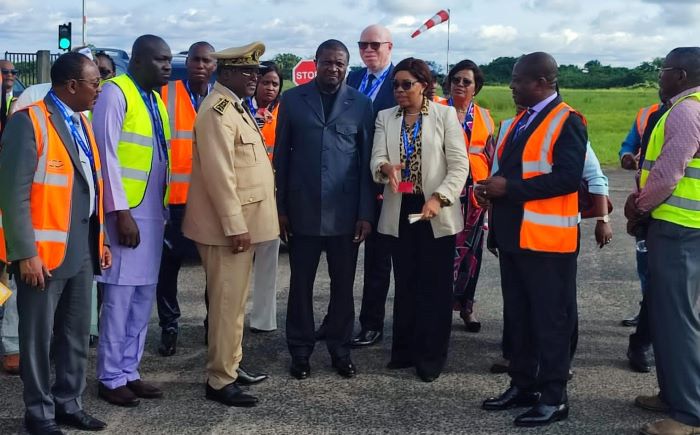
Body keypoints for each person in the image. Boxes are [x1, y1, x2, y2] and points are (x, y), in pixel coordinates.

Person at [0, 51, 110, 435]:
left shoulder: (82, 122)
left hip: (81, 249)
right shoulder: (28, 122)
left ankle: (69, 404)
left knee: (76, 334)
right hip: (43, 255)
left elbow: (90, 187)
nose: (99, 89)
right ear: (72, 85)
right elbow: (12, 194)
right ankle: (39, 414)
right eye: (95, 83)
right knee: (37, 338)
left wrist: (102, 240)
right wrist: (25, 253)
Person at [477, 52, 587, 427]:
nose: (512, 85)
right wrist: (490, 194)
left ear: (541, 82)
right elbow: (506, 174)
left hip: (548, 243)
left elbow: (568, 179)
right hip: (513, 237)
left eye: (518, 79)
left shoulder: (567, 120)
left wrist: (510, 188)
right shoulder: (516, 123)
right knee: (519, 318)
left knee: (551, 322)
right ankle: (522, 385)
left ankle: (554, 397)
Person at [183, 42, 278, 407]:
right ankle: (220, 379)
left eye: (256, 72)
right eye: (247, 72)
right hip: (227, 230)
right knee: (226, 306)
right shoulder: (216, 111)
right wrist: (235, 225)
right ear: (226, 74)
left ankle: (231, 366)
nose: (255, 78)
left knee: (234, 304)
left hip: (239, 226)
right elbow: (219, 175)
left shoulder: (234, 106)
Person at [274, 39, 374, 380]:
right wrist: (280, 209)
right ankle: (300, 351)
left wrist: (365, 213)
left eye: (340, 63)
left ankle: (340, 350)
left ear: (347, 66)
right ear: (315, 63)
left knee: (343, 288)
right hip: (301, 211)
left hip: (345, 216)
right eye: (328, 62)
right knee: (300, 285)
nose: (334, 68)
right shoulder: (292, 100)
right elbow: (281, 157)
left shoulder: (361, 104)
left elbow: (366, 163)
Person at [370, 57, 468, 382]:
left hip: (434, 208)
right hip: (400, 207)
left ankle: (430, 357)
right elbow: (377, 157)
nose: (399, 90)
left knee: (435, 286)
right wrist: (385, 168)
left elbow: (459, 165)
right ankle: (405, 351)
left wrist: (439, 198)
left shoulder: (444, 115)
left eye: (406, 84)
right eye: (395, 85)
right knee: (406, 283)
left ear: (423, 85)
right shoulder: (386, 117)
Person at [92, 34, 171, 407]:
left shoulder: (155, 100)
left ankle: (129, 370)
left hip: (153, 213)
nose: (167, 66)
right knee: (119, 298)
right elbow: (105, 154)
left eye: (168, 60)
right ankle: (109, 377)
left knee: (142, 297)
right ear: (138, 61)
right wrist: (120, 213)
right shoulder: (115, 92)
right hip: (126, 214)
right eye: (160, 60)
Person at [626, 46, 700, 435]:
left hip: (678, 228)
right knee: (669, 317)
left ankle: (689, 415)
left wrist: (639, 206)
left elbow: (669, 173)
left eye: (664, 70)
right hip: (683, 227)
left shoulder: (687, 111)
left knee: (678, 321)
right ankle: (674, 394)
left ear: (681, 75)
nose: (660, 76)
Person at [156, 41, 215, 357]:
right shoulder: (166, 94)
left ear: (214, 65)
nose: (200, 66)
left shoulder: (222, 99)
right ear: (188, 61)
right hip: (172, 200)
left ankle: (212, 326)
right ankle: (169, 327)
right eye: (196, 60)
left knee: (214, 270)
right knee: (167, 270)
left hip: (209, 202)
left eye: (207, 61)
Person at [345, 24, 396, 347]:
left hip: (381, 181)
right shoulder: (351, 78)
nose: (368, 50)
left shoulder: (399, 82)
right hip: (349, 179)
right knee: (342, 258)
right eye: (362, 44)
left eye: (374, 45)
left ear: (390, 47)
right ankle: (337, 319)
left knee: (378, 258)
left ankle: (371, 323)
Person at [441, 60, 495, 333]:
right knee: (442, 252)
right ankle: (439, 307)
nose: (460, 85)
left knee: (471, 254)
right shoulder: (437, 109)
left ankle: (466, 307)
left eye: (467, 81)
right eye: (456, 80)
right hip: (445, 192)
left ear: (476, 88)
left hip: (475, 196)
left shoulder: (484, 116)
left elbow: (491, 154)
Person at [244, 60, 283, 333]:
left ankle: (263, 319)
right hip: (245, 192)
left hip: (272, 195)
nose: (270, 88)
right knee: (239, 261)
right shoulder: (241, 109)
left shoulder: (284, 112)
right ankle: (231, 318)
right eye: (265, 82)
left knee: (269, 258)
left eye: (275, 84)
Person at [618, 102, 661, 328]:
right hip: (646, 203)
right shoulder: (646, 114)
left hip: (684, 207)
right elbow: (629, 144)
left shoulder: (690, 111)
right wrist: (626, 156)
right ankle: (648, 314)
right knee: (646, 264)